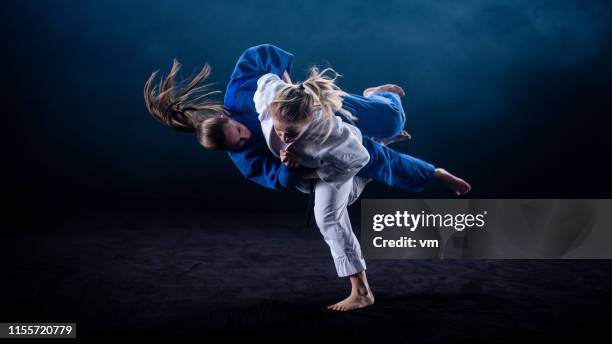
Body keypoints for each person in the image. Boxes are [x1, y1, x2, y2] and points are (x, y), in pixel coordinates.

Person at [143, 44, 471, 311]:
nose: (245, 139)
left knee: (389, 121)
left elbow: (257, 55)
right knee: (340, 197)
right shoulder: (245, 155)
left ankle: (380, 95)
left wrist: (288, 84)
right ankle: (361, 291)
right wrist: (289, 165)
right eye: (237, 144)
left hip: (312, 110)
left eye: (240, 132)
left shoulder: (245, 96)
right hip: (319, 160)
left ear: (227, 116)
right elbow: (276, 179)